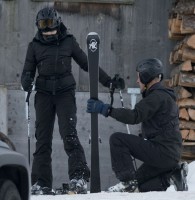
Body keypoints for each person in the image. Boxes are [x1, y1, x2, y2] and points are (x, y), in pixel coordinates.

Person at [21, 7, 125, 194]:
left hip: (64, 93)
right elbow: (27, 72)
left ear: (57, 22)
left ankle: (79, 177)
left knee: (69, 134)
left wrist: (108, 81)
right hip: (43, 94)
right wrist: (26, 81)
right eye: (43, 25)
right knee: (42, 139)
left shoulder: (68, 42)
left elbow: (88, 64)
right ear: (38, 26)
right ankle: (40, 182)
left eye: (50, 24)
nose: (47, 29)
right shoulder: (34, 45)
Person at [87, 58, 188, 192]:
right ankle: (171, 177)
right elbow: (161, 126)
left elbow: (134, 116)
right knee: (139, 186)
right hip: (170, 156)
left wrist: (107, 110)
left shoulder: (156, 97)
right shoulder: (164, 96)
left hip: (162, 152)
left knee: (117, 139)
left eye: (139, 77)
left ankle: (127, 182)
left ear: (146, 76)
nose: (137, 80)